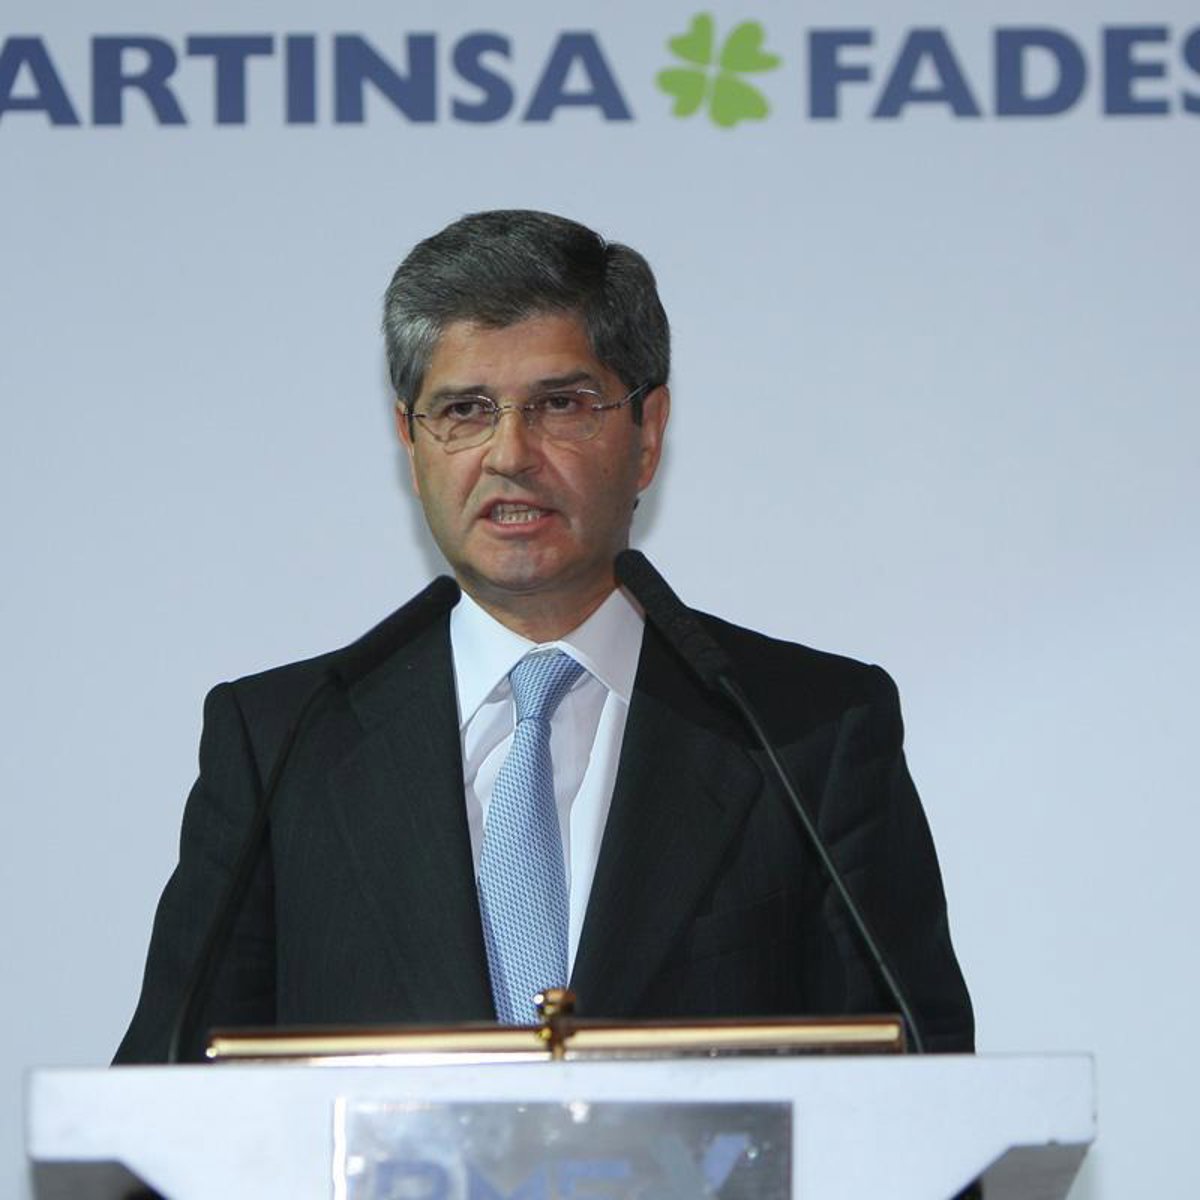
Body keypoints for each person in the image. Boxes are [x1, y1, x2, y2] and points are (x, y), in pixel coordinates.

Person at [114, 209, 973, 1063]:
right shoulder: (284, 744)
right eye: (465, 409)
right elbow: (161, 1093)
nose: (510, 454)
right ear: (411, 442)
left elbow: (922, 1081)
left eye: (560, 405)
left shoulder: (806, 735)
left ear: (647, 433)